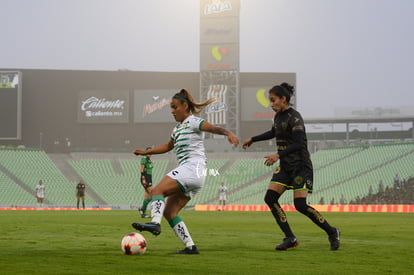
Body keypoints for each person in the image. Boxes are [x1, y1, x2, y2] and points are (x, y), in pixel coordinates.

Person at [132, 88, 239, 254]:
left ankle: (155, 222)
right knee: (170, 212)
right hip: (195, 174)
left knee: (157, 190)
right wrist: (147, 152)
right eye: (171, 108)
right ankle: (190, 247)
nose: (172, 111)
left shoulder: (194, 122)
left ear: (185, 105)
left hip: (191, 168)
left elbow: (211, 128)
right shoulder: (177, 129)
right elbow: (168, 147)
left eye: (175, 107)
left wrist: (228, 133)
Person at [242, 82, 340, 251]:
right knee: (270, 199)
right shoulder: (278, 116)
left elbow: (298, 143)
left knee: (300, 205)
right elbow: (273, 132)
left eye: (273, 101)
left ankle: (332, 232)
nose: (271, 104)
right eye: (270, 101)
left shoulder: (295, 118)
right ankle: (290, 237)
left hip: (300, 166)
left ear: (283, 99)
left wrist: (277, 155)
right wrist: (253, 139)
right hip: (285, 166)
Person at [138, 147, 154, 218]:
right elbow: (142, 169)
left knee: (147, 196)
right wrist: (143, 178)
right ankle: (142, 209)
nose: (150, 154)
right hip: (145, 178)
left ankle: (143, 212)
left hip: (149, 178)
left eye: (151, 152)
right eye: (148, 152)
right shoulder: (144, 159)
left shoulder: (149, 160)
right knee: (153, 194)